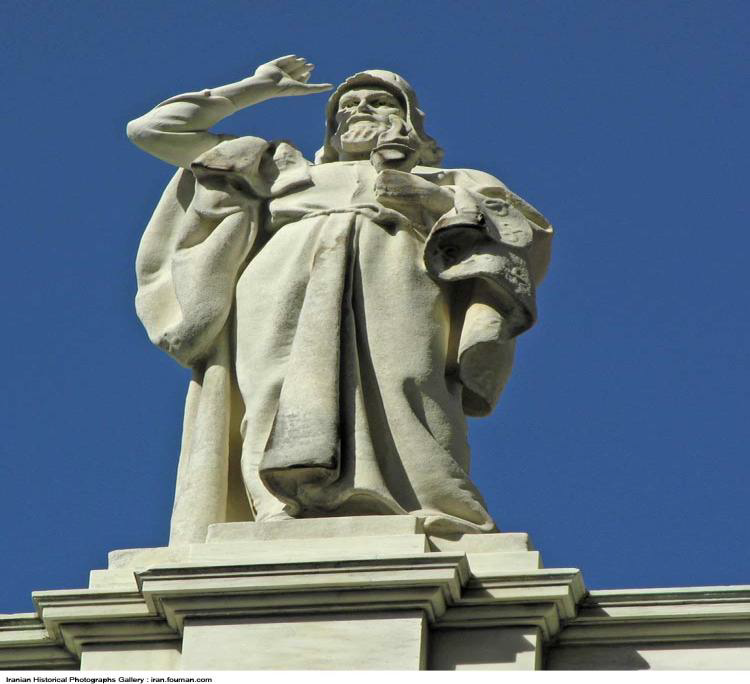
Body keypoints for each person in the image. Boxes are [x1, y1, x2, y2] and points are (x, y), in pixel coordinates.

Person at [127, 55, 553, 543]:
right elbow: (153, 131)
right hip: (282, 275)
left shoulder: (454, 181)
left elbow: (518, 234)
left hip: (397, 271)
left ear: (409, 121)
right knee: (272, 389)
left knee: (410, 381)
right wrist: (257, 87)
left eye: (379, 102)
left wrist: (423, 195)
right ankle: (277, 507)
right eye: (346, 105)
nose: (359, 109)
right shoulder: (280, 165)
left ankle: (431, 504)